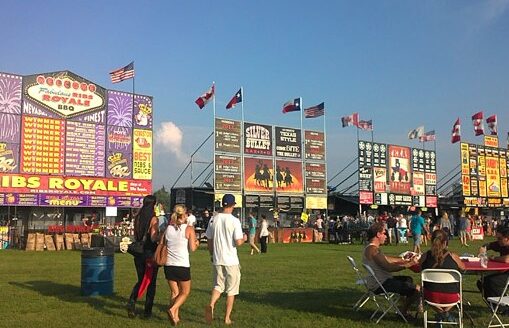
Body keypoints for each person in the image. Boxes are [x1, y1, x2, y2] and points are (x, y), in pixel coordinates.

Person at [363, 222, 421, 317]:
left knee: (408, 279)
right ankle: (403, 311)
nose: (386, 236)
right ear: (378, 234)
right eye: (384, 233)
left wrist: (403, 260)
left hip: (378, 281)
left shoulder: (371, 248)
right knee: (416, 289)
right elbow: (389, 268)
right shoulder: (374, 250)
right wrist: (410, 263)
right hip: (380, 284)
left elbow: (386, 259)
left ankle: (403, 305)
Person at [205, 194, 245, 325]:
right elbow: (238, 242)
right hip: (231, 260)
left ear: (223, 204)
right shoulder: (234, 221)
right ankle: (227, 317)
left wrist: (212, 254)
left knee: (218, 285)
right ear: (233, 205)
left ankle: (211, 304)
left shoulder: (213, 219)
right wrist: (244, 238)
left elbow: (209, 240)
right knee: (231, 290)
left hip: (217, 258)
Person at [419, 230, 465, 322]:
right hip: (452, 296)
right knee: (459, 292)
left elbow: (420, 268)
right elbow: (463, 268)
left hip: (431, 296)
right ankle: (445, 313)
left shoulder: (425, 256)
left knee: (421, 290)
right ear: (445, 242)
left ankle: (441, 313)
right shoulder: (453, 256)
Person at [126, 195, 160, 319]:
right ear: (153, 205)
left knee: (141, 280)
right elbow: (153, 237)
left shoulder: (138, 217)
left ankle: (132, 300)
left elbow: (136, 235)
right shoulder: (153, 219)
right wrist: (161, 237)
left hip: (138, 252)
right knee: (151, 282)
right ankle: (147, 311)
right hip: (149, 252)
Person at [164, 204, 198, 326]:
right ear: (184, 215)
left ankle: (175, 317)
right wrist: (197, 243)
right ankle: (172, 310)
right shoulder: (189, 229)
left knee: (174, 292)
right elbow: (193, 248)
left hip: (169, 265)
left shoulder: (168, 228)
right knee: (185, 292)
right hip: (182, 264)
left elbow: (164, 243)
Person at [477, 226, 509, 298]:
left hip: (507, 274)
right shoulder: (500, 244)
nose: (498, 240)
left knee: (492, 282)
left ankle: (503, 305)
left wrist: (493, 258)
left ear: (507, 238)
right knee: (481, 282)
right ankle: (494, 305)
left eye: (500, 239)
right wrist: (483, 248)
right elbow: (487, 246)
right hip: (504, 272)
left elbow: (507, 259)